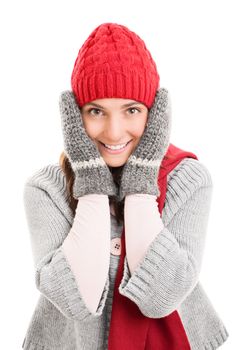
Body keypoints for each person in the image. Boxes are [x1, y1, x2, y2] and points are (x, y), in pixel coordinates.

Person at [22, 22, 229, 349]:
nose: (114, 132)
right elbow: (80, 301)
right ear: (74, 117)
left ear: (155, 113)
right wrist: (90, 181)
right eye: (96, 111)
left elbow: (163, 295)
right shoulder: (46, 189)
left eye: (132, 109)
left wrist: (141, 180)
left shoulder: (189, 180)